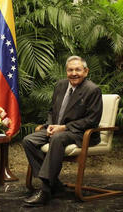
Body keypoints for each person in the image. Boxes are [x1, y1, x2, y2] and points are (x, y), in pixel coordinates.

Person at [22, 56, 103, 206]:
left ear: (85, 71)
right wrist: (51, 125)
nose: (74, 73)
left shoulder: (92, 90)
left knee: (57, 139)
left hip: (80, 133)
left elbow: (92, 120)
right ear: (66, 72)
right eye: (70, 70)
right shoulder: (60, 85)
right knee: (28, 141)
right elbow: (52, 111)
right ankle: (56, 185)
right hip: (57, 129)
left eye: (78, 69)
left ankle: (45, 190)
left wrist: (64, 128)